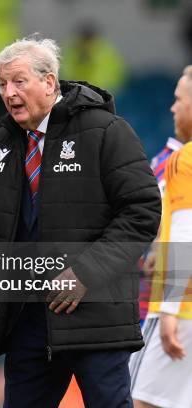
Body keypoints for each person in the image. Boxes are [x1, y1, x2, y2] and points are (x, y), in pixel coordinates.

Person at [0, 36, 161, 406]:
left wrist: (85, 274)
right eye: (2, 84)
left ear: (50, 82)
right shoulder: (3, 140)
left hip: (95, 315)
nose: (9, 93)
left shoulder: (106, 131)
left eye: (19, 81)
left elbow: (142, 210)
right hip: (28, 316)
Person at [131, 65, 192, 408]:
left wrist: (168, 309)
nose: (173, 108)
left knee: (138, 402)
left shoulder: (182, 159)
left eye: (179, 99)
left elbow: (184, 233)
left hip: (180, 307)